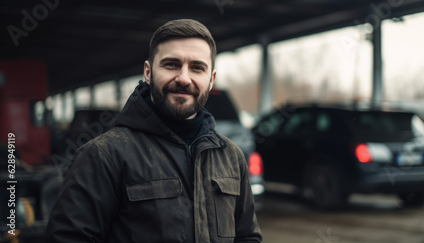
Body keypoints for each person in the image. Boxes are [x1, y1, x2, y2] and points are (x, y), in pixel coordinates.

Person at [46, 19, 262, 243]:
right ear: (148, 72)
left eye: (197, 68)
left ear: (211, 80)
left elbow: (247, 236)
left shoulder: (231, 157)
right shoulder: (104, 156)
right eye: (171, 64)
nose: (184, 78)